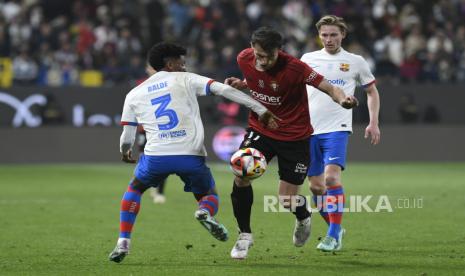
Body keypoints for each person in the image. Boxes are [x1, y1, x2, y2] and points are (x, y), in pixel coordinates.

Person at [109, 42, 278, 263]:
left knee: (135, 188)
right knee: (209, 195)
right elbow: (224, 90)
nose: (184, 64)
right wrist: (260, 109)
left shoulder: (134, 93)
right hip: (190, 155)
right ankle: (204, 212)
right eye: (180, 60)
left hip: (156, 156)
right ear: (169, 64)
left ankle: (123, 241)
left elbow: (127, 137)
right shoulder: (186, 79)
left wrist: (125, 152)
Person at [225, 26, 358, 259]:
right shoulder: (244, 58)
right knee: (241, 173)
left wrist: (343, 100)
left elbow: (329, 87)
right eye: (258, 55)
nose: (262, 60)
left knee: (286, 199)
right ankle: (244, 235)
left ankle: (303, 215)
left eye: (267, 56)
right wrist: (243, 83)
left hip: (295, 137)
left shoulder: (296, 68)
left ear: (279, 51)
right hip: (261, 129)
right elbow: (259, 78)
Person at [301, 15, 381, 252]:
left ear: (343, 35)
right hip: (308, 129)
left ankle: (333, 235)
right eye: (324, 35)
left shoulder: (355, 61)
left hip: (337, 128)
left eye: (333, 34)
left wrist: (373, 122)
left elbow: (372, 92)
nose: (328, 39)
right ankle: (336, 229)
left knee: (331, 179)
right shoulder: (308, 59)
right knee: (316, 188)